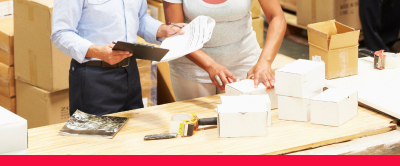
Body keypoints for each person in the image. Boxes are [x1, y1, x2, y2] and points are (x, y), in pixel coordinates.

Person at [51, 0, 185, 116]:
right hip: (94, 77)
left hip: (130, 72)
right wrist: (97, 51)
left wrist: (163, 29)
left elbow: (140, 18)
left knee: (133, 135)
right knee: (96, 141)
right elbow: (61, 33)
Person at [163, 0, 286, 101]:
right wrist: (210, 65)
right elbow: (176, 32)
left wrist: (265, 61)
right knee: (200, 125)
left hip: (245, 63)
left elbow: (276, 17)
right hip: (193, 69)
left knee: (247, 124)